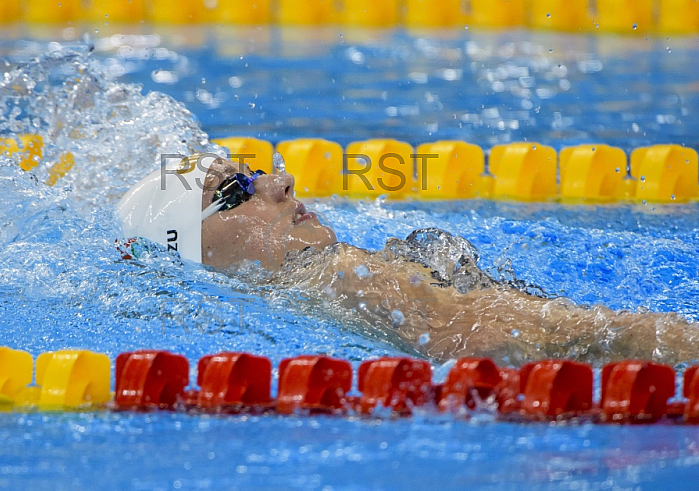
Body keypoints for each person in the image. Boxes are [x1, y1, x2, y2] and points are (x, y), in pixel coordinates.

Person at [118, 153, 698, 366]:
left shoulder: (287, 300)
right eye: (239, 190)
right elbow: (487, 339)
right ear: (195, 248)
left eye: (256, 169)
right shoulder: (338, 276)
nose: (281, 180)